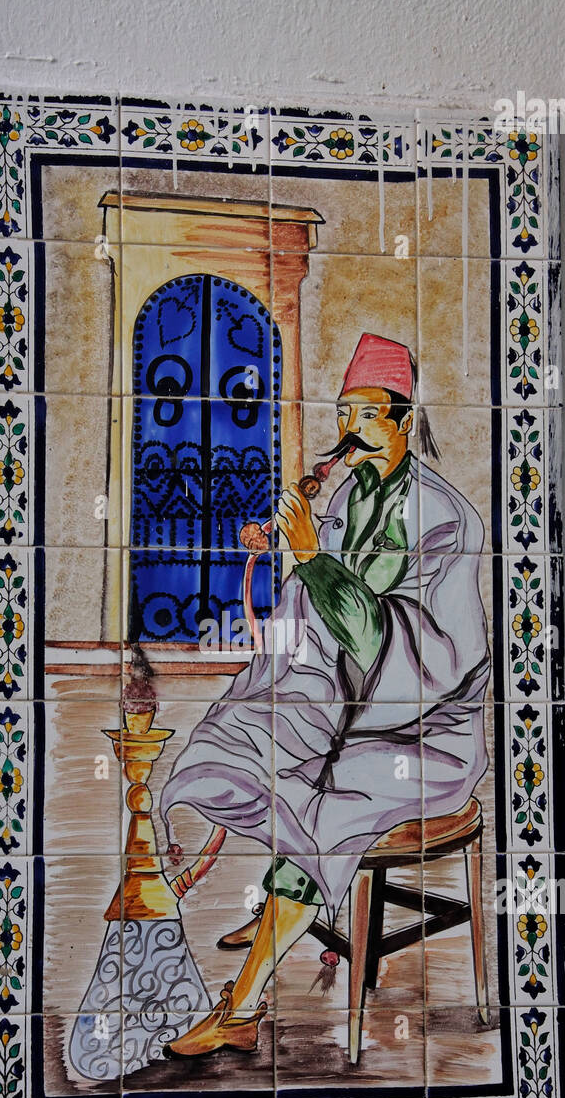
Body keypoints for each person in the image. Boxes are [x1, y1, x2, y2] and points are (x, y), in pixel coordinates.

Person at [160, 333, 490, 1056]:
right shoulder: (346, 493)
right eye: (344, 413)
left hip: (422, 731)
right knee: (246, 732)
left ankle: (241, 1009)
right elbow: (314, 616)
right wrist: (290, 554)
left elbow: (403, 647)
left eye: (369, 414)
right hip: (350, 703)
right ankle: (288, 900)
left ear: (405, 420)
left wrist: (310, 555)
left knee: (331, 805)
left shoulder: (445, 518)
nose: (351, 430)